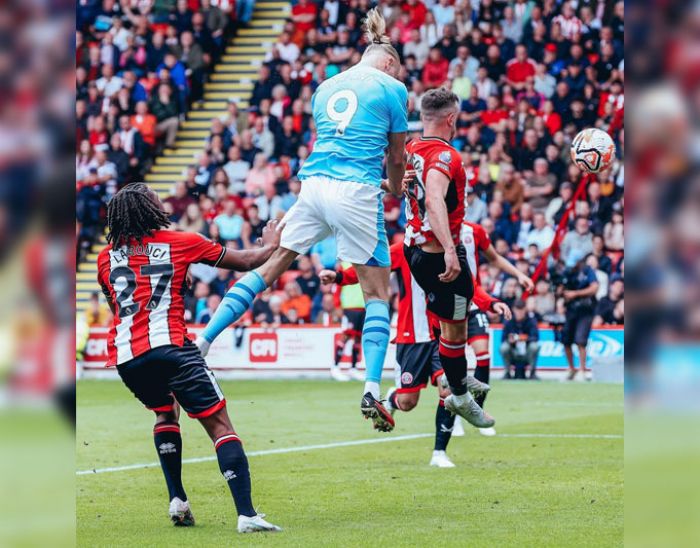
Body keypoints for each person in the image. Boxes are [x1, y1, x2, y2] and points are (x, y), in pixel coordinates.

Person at [195, 9, 407, 432]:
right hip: (355, 193)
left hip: (313, 187)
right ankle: (370, 386)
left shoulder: (325, 87)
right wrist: (396, 188)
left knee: (268, 267)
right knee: (378, 293)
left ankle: (202, 344)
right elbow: (396, 156)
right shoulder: (393, 86)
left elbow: (338, 145)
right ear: (387, 62)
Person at [96, 184, 283, 534]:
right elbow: (246, 262)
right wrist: (271, 244)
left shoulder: (105, 257)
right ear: (149, 209)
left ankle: (177, 499)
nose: (161, 200)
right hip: (172, 347)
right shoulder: (180, 241)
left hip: (128, 357)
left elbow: (117, 308)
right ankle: (247, 515)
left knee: (166, 411)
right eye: (155, 197)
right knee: (220, 427)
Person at [320, 241, 510, 467]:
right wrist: (340, 278)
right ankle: (392, 398)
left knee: (446, 389)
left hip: (440, 333)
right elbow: (373, 268)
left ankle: (439, 452)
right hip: (411, 337)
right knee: (408, 402)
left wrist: (491, 303)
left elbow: (469, 284)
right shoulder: (403, 249)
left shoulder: (448, 248)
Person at [403, 87, 494, 429]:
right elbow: (434, 201)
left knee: (452, 322)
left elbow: (401, 187)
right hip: (439, 253)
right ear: (451, 119)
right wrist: (450, 253)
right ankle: (459, 395)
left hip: (418, 250)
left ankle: (457, 378)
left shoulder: (412, 147)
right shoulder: (447, 157)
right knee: (455, 332)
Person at [459, 220, 534, 434]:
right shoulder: (436, 226)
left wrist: (518, 274)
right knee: (453, 362)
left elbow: (494, 258)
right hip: (448, 304)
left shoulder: (474, 231)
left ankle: (478, 412)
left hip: (474, 302)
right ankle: (451, 414)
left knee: (483, 356)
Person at [558, 248, 600, 380]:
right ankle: (571, 369)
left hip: (585, 309)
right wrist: (561, 292)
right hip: (570, 309)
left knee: (581, 340)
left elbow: (594, 288)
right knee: (566, 340)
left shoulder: (588, 271)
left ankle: (582, 370)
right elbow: (560, 287)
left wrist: (575, 294)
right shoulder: (567, 272)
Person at [500, 300, 540, 379]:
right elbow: (503, 339)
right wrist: (510, 340)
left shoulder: (531, 320)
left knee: (534, 346)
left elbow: (536, 337)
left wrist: (522, 338)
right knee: (504, 347)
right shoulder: (508, 321)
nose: (519, 312)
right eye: (517, 310)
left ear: (525, 309)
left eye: (521, 310)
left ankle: (532, 374)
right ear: (513, 309)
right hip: (513, 352)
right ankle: (507, 373)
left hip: (527, 352)